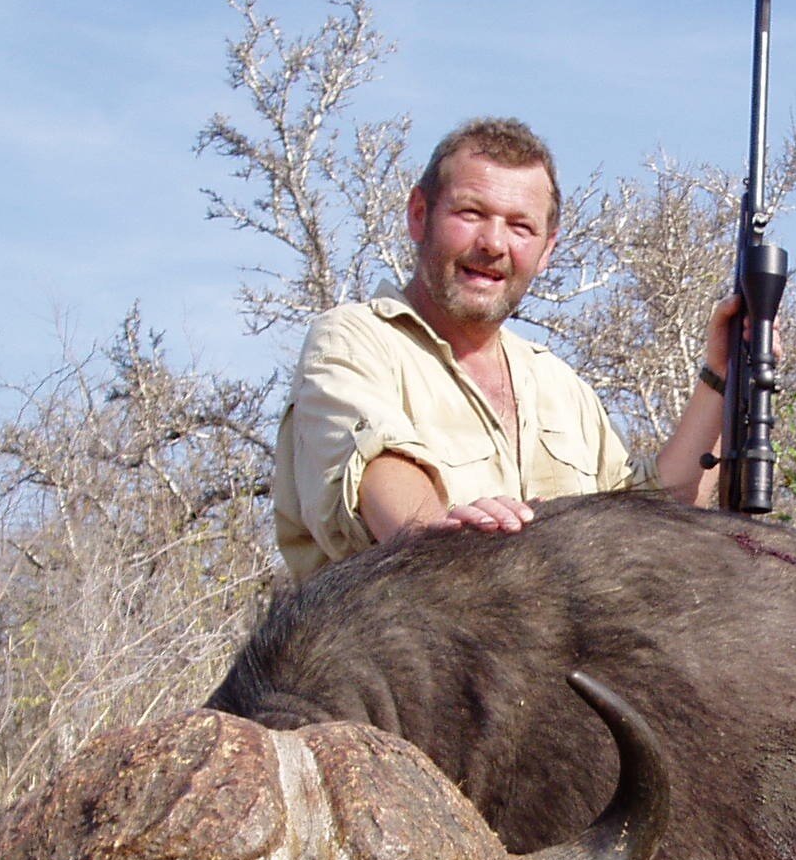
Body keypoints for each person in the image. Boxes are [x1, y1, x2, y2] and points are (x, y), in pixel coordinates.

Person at [272, 117, 741, 580]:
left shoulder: (558, 385)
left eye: (520, 226)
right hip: (400, 648)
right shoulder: (354, 340)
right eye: (470, 214)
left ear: (546, 249)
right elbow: (378, 467)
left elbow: (649, 515)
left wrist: (721, 376)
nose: (493, 243)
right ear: (419, 215)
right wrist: (440, 540)